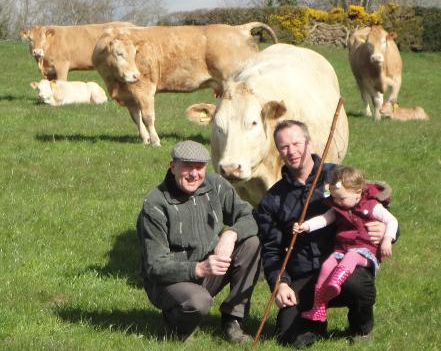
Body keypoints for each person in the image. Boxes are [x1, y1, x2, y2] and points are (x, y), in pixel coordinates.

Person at [256, 120, 394, 348]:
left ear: (309, 142)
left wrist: (386, 233)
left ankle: (361, 326)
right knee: (290, 337)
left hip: (344, 264)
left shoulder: (337, 176)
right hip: (302, 275)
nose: (291, 151)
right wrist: (280, 283)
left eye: (296, 143)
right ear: (278, 151)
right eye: (284, 147)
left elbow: (375, 205)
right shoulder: (273, 199)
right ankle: (316, 322)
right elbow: (270, 250)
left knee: (357, 285)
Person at [137, 140, 260, 343]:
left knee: (251, 244)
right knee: (198, 301)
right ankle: (175, 324)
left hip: (208, 269)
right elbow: (154, 266)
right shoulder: (155, 204)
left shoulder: (216, 186)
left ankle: (233, 320)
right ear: (173, 166)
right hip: (169, 281)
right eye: (187, 166)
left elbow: (250, 216)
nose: (194, 174)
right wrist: (199, 268)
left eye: (199, 167)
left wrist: (231, 234)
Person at [293, 165, 398, 325]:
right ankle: (319, 307)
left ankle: (335, 283)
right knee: (327, 264)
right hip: (342, 250)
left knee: (352, 256)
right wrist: (305, 226)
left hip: (365, 252)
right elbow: (324, 219)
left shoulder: (371, 206)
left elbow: (392, 220)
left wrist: (387, 239)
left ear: (357, 193)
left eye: (341, 198)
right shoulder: (339, 207)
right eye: (334, 198)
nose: (337, 202)